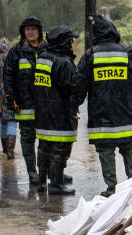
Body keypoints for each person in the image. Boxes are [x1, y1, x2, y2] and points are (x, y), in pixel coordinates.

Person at [75, 16, 132, 197]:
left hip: (101, 112)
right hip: (124, 110)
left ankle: (112, 188)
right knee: (129, 147)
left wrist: (74, 104)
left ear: (96, 35)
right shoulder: (128, 52)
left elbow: (80, 83)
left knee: (105, 151)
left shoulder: (90, 55)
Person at [32, 25, 80, 195]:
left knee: (44, 148)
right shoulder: (64, 63)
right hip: (60, 115)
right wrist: (73, 110)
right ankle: (56, 184)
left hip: (43, 113)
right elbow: (70, 90)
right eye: (70, 40)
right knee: (60, 149)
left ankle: (42, 181)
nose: (72, 42)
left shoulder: (43, 57)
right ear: (64, 41)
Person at [3, 16, 46, 184]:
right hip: (25, 105)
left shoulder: (47, 49)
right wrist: (11, 98)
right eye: (27, 29)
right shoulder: (16, 51)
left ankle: (46, 172)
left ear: (39, 31)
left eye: (33, 29)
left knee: (46, 140)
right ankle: (32, 172)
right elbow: (8, 76)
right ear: (23, 32)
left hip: (45, 105)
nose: (31, 32)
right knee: (28, 139)